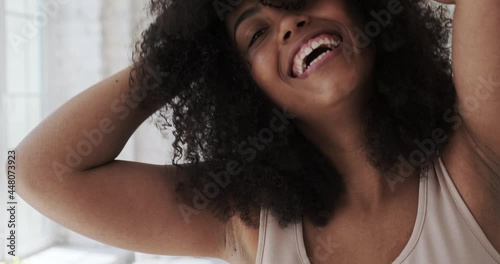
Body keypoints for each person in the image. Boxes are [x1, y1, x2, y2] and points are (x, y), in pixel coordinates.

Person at [10, 0, 500, 263]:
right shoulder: (249, 225)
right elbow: (38, 173)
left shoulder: (476, 153)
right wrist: (181, 58)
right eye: (256, 33)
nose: (289, 22)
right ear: (241, 87)